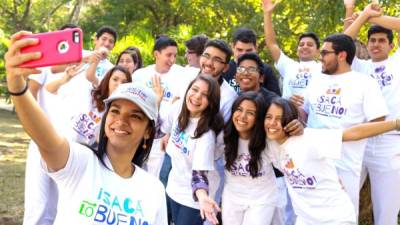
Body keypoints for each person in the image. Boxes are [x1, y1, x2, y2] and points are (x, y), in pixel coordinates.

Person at [5, 31, 167, 224]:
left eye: (135, 116)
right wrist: (16, 85)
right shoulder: (80, 163)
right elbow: (45, 138)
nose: (121, 120)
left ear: (148, 130)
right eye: (115, 111)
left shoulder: (154, 190)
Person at [265, 97, 400, 225]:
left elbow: (353, 134)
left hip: (335, 218)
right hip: (306, 219)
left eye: (279, 118)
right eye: (269, 117)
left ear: (290, 120)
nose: (272, 123)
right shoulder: (270, 145)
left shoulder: (309, 138)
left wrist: (395, 124)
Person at [303, 33, 388, 217]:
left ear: (341, 55)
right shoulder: (316, 79)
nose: (320, 56)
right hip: (311, 161)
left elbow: (378, 121)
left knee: (341, 217)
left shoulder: (365, 83)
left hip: (344, 166)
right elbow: (305, 113)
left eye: (325, 52)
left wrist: (346, 136)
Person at [343, 3, 400, 225]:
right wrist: (354, 12)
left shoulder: (397, 63)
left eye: (381, 40)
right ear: (366, 44)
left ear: (391, 44)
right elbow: (343, 41)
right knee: (343, 202)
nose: (375, 44)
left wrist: (371, 18)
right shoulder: (359, 67)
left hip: (390, 142)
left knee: (386, 212)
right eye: (372, 40)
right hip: (359, 141)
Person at [160, 75, 224, 225]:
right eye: (194, 90)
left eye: (205, 95)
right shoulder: (178, 109)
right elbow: (161, 128)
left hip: (194, 199)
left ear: (211, 102)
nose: (196, 97)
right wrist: (157, 100)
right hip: (173, 187)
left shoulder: (205, 134)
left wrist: (202, 196)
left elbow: (199, 174)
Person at [133, 35, 190, 178]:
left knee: (155, 179)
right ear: (156, 54)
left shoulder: (182, 75)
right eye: (168, 55)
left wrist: (170, 133)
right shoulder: (140, 75)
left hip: (164, 138)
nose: (172, 60)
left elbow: (184, 107)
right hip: (140, 134)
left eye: (175, 56)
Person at [220, 92, 278, 225]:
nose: (242, 116)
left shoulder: (269, 141)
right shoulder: (223, 137)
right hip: (232, 197)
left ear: (259, 118)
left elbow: (288, 166)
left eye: (250, 113)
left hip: (262, 199)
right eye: (239, 110)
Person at [262, 0, 321, 107]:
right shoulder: (288, 65)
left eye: (310, 44)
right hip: (287, 115)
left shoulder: (324, 68)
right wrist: (267, 14)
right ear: (297, 50)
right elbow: (271, 44)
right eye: (301, 44)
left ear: (318, 51)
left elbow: (344, 41)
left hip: (312, 119)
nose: (305, 46)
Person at [69, 65, 132, 147]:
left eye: (124, 82)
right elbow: (89, 76)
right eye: (115, 79)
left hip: (87, 149)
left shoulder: (122, 112)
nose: (119, 84)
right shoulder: (93, 94)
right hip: (67, 137)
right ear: (108, 80)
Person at [222, 27, 281, 95]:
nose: (244, 54)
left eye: (248, 50)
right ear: (232, 47)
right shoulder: (224, 69)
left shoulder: (266, 70)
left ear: (256, 48)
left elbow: (276, 100)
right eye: (240, 50)